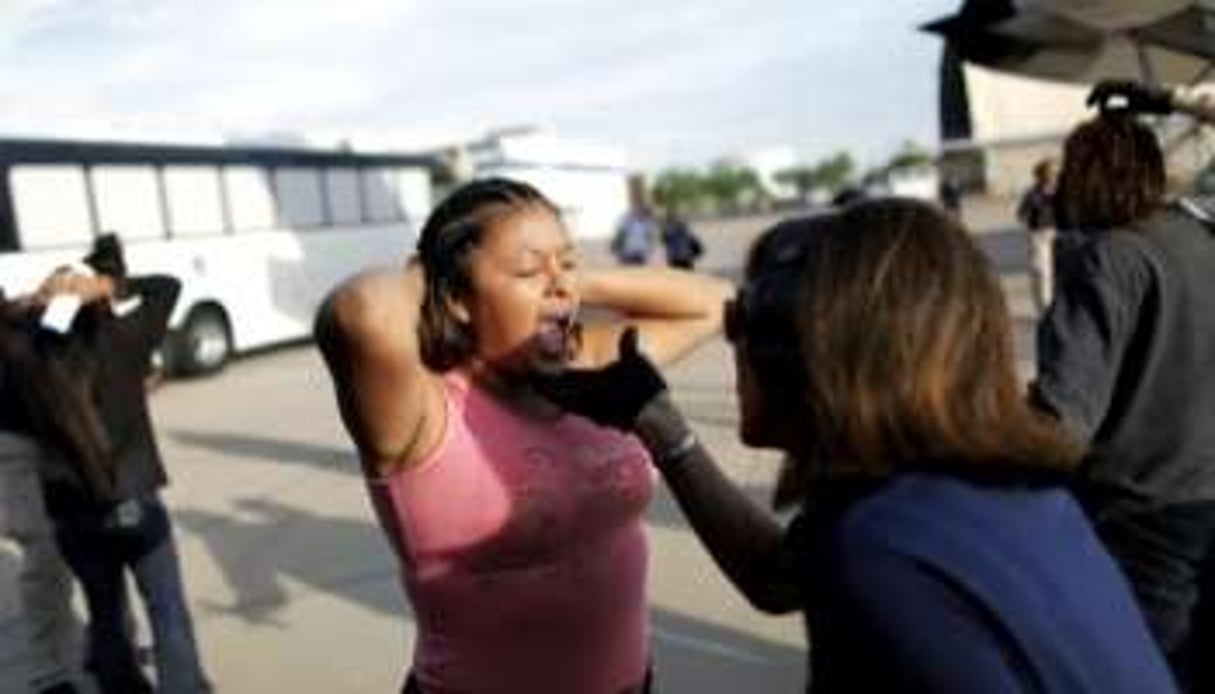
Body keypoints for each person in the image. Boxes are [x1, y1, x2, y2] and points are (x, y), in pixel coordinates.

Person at [539, 199, 1176, 693]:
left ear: (802, 351)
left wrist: (564, 281)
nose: (733, 349)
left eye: (742, 327)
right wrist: (659, 422)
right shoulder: (982, 496)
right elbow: (777, 575)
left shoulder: (880, 552)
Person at [313, 177, 730, 693]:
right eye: (528, 269)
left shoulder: (591, 364)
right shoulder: (422, 410)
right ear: (460, 296)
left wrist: (564, 279)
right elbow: (362, 312)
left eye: (567, 261)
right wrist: (441, 268)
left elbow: (714, 302)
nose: (560, 283)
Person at [1032, 83, 1215, 692]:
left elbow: (1063, 420)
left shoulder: (1110, 259)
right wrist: (1171, 100)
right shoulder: (1202, 240)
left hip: (1142, 520)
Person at [20, 235, 212, 694]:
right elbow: (167, 287)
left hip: (70, 511)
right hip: (135, 501)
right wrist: (107, 284)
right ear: (98, 305)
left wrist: (42, 297)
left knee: (105, 616)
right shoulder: (126, 340)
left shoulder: (29, 356)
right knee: (167, 611)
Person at [0, 290, 82, 694]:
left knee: (93, 547)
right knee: (44, 558)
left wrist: (52, 292)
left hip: (57, 443)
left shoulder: (28, 321)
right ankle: (48, 672)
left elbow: (68, 313)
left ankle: (109, 645)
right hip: (14, 450)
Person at [1016, 158, 1057, 313]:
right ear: (1041, 175)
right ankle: (1044, 308)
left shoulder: (1058, 191)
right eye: (1050, 172)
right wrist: (1031, 218)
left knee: (1055, 273)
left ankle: (1054, 305)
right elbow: (1021, 215)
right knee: (1041, 272)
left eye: (1054, 173)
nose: (1053, 175)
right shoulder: (1032, 193)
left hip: (1056, 234)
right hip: (1039, 236)